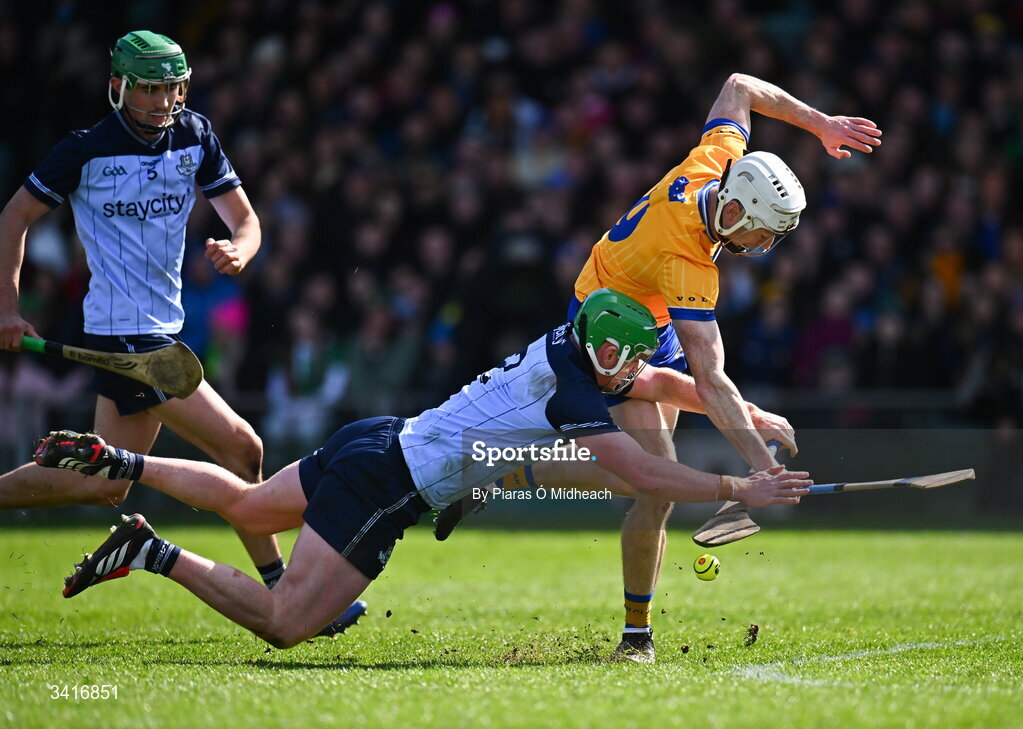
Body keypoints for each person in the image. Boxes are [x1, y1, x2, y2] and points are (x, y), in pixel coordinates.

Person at [33, 289, 811, 649]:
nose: (628, 368)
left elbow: (661, 384)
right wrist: (739, 486)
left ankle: (128, 461)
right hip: (386, 482)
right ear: (597, 345)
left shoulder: (571, 349)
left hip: (373, 438)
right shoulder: (577, 383)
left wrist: (744, 416)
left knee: (247, 503)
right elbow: (638, 470)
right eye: (621, 354)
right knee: (285, 625)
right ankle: (151, 549)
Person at [436, 73, 882, 662]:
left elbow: (739, 86)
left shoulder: (715, 163)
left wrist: (821, 124)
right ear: (740, 210)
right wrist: (759, 466)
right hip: (610, 320)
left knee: (651, 485)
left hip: (654, 314)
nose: (767, 244)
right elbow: (710, 379)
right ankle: (630, 630)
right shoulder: (688, 263)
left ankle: (622, 618)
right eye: (766, 231)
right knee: (654, 479)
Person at [0, 30, 364, 634]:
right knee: (241, 447)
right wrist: (8, 307)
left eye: (171, 88)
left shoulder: (195, 135)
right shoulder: (85, 150)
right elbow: (14, 215)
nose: (161, 101)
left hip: (165, 333)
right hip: (126, 339)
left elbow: (246, 220)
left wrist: (241, 251)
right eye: (148, 89)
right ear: (117, 87)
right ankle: (285, 588)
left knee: (105, 486)